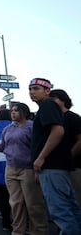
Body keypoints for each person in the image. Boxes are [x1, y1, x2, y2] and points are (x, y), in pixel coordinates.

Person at [29, 78, 81, 234]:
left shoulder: (47, 105)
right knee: (71, 209)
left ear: (47, 91)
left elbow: (58, 131)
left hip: (52, 167)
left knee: (61, 212)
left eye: (36, 88)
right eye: (30, 89)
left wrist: (41, 158)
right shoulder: (48, 107)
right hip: (55, 168)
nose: (32, 92)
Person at [0, 102, 49, 234]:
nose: (13, 113)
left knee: (33, 204)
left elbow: (38, 148)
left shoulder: (32, 127)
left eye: (16, 110)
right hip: (10, 169)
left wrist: (38, 169)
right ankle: (18, 231)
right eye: (12, 111)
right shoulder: (8, 129)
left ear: (24, 112)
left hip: (28, 169)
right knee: (16, 203)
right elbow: (3, 147)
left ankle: (39, 231)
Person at [49, 89, 81, 206]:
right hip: (57, 168)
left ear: (63, 100)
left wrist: (68, 157)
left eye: (54, 99)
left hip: (74, 167)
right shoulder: (53, 119)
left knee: (76, 201)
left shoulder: (72, 117)